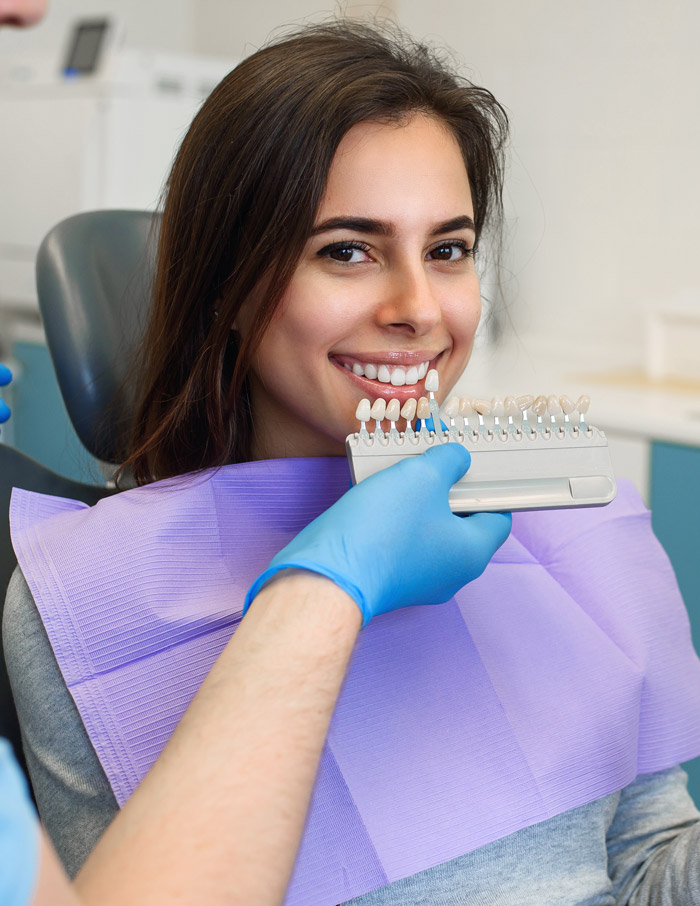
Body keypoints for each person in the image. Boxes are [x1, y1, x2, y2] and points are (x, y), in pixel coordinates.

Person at [5, 18, 700, 906]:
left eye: (447, 249)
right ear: (228, 284)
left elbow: (646, 869)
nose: (419, 307)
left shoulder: (567, 529)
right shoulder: (89, 604)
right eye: (347, 251)